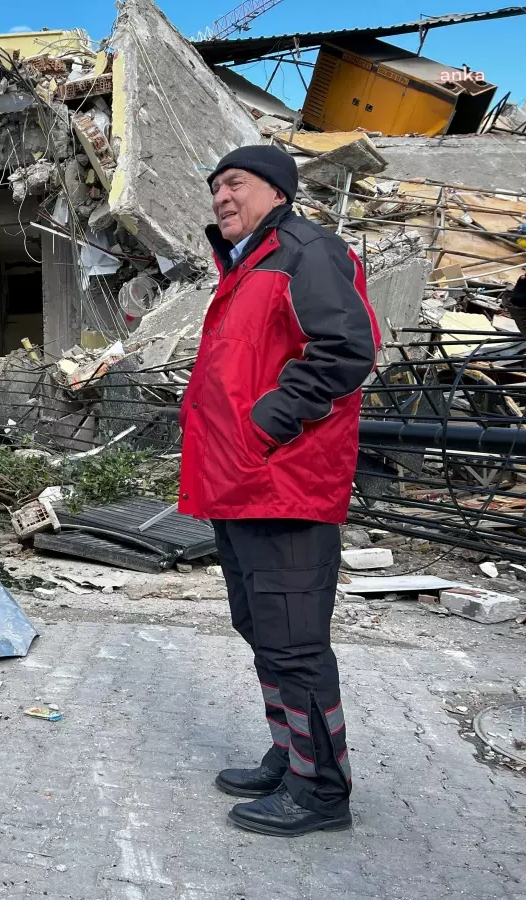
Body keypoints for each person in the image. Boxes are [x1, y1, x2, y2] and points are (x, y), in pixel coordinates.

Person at [178, 144, 380, 837]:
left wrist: (266, 424)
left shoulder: (306, 252)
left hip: (283, 483)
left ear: (276, 191)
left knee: (294, 643)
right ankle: (293, 753)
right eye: (214, 188)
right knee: (262, 631)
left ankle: (322, 791)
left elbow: (346, 348)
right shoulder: (246, 266)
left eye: (233, 183)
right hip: (238, 485)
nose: (220, 198)